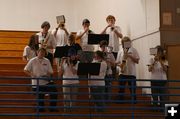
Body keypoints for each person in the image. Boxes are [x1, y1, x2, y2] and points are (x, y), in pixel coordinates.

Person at [24, 48, 58, 112]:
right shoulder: (32, 60)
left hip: (46, 82)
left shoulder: (47, 60)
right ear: (37, 52)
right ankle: (40, 108)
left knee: (54, 91)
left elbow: (51, 72)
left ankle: (52, 108)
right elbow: (25, 70)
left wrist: (47, 75)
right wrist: (32, 75)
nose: (42, 53)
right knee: (41, 105)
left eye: (43, 53)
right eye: (41, 52)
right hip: (36, 83)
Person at [116, 36, 140, 103]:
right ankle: (121, 102)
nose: (127, 43)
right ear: (122, 43)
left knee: (132, 90)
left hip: (131, 73)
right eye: (125, 42)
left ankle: (134, 103)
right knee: (121, 89)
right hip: (122, 73)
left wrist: (129, 56)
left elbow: (137, 61)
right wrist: (120, 66)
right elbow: (117, 62)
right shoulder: (120, 51)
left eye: (128, 42)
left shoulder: (134, 50)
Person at [59, 48, 79, 112]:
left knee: (73, 99)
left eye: (74, 55)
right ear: (69, 56)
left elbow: (74, 72)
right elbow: (60, 74)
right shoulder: (64, 62)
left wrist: (69, 63)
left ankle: (72, 112)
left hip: (75, 82)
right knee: (66, 98)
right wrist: (61, 62)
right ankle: (66, 112)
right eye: (71, 55)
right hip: (66, 82)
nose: (73, 56)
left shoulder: (78, 63)